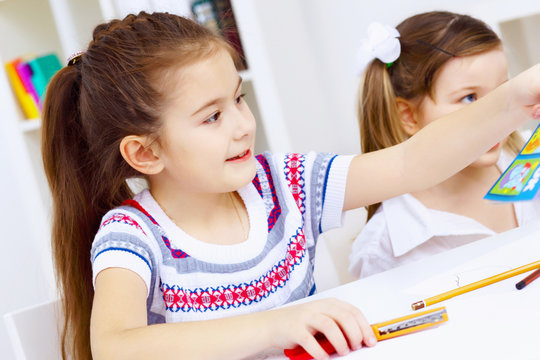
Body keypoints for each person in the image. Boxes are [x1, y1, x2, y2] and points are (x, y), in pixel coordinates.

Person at [41, 11, 540, 360]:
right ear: (146, 153)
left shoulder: (285, 184)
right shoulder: (132, 234)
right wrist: (276, 326)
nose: (242, 124)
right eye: (212, 116)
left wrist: (514, 100)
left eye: (239, 99)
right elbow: (116, 347)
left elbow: (411, 162)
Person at [349, 11, 540, 279]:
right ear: (409, 116)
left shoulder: (531, 164)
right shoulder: (383, 249)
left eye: (503, 92)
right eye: (469, 97)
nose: (496, 111)